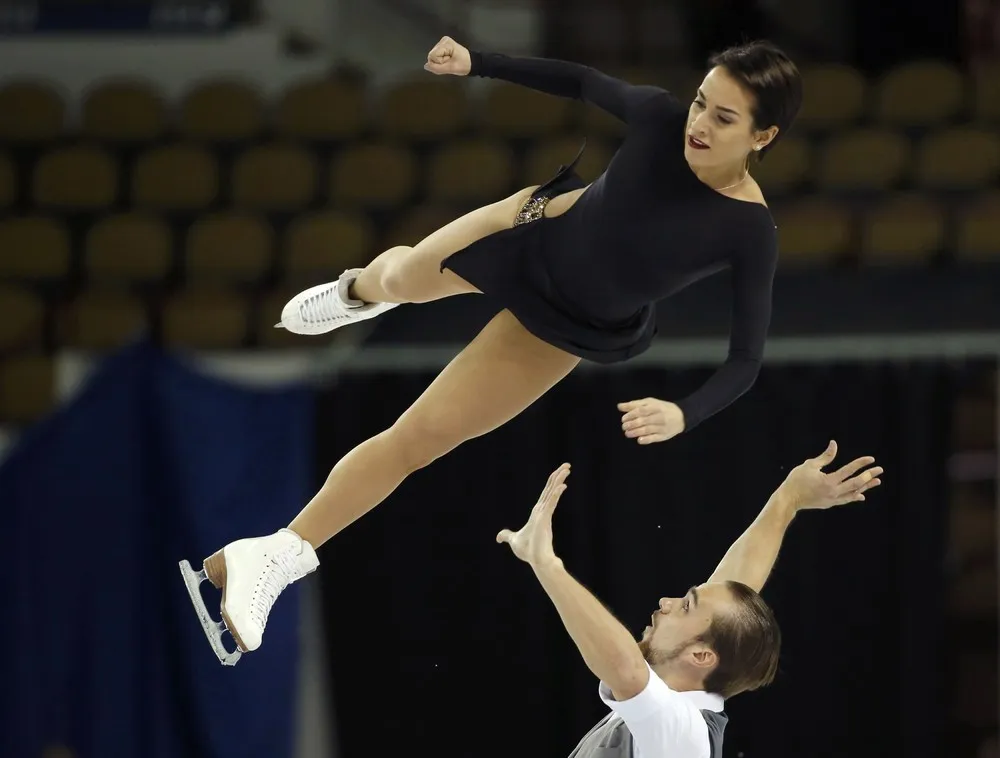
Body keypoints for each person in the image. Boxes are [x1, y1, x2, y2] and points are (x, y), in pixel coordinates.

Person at [179, 36, 804, 664]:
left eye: (723, 118)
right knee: (399, 282)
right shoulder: (660, 118)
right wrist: (479, 62)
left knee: (421, 438)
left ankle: (272, 556)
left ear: (762, 136)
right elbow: (582, 78)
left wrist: (683, 413)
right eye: (701, 103)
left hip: (565, 326)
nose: (699, 123)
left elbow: (745, 361)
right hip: (528, 233)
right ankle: (357, 291)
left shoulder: (750, 231)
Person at [496, 441, 883, 757]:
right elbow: (731, 594)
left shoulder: (684, 737)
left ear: (700, 657)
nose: (665, 601)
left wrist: (546, 563)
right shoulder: (681, 711)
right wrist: (787, 500)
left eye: (684, 605)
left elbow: (626, 670)